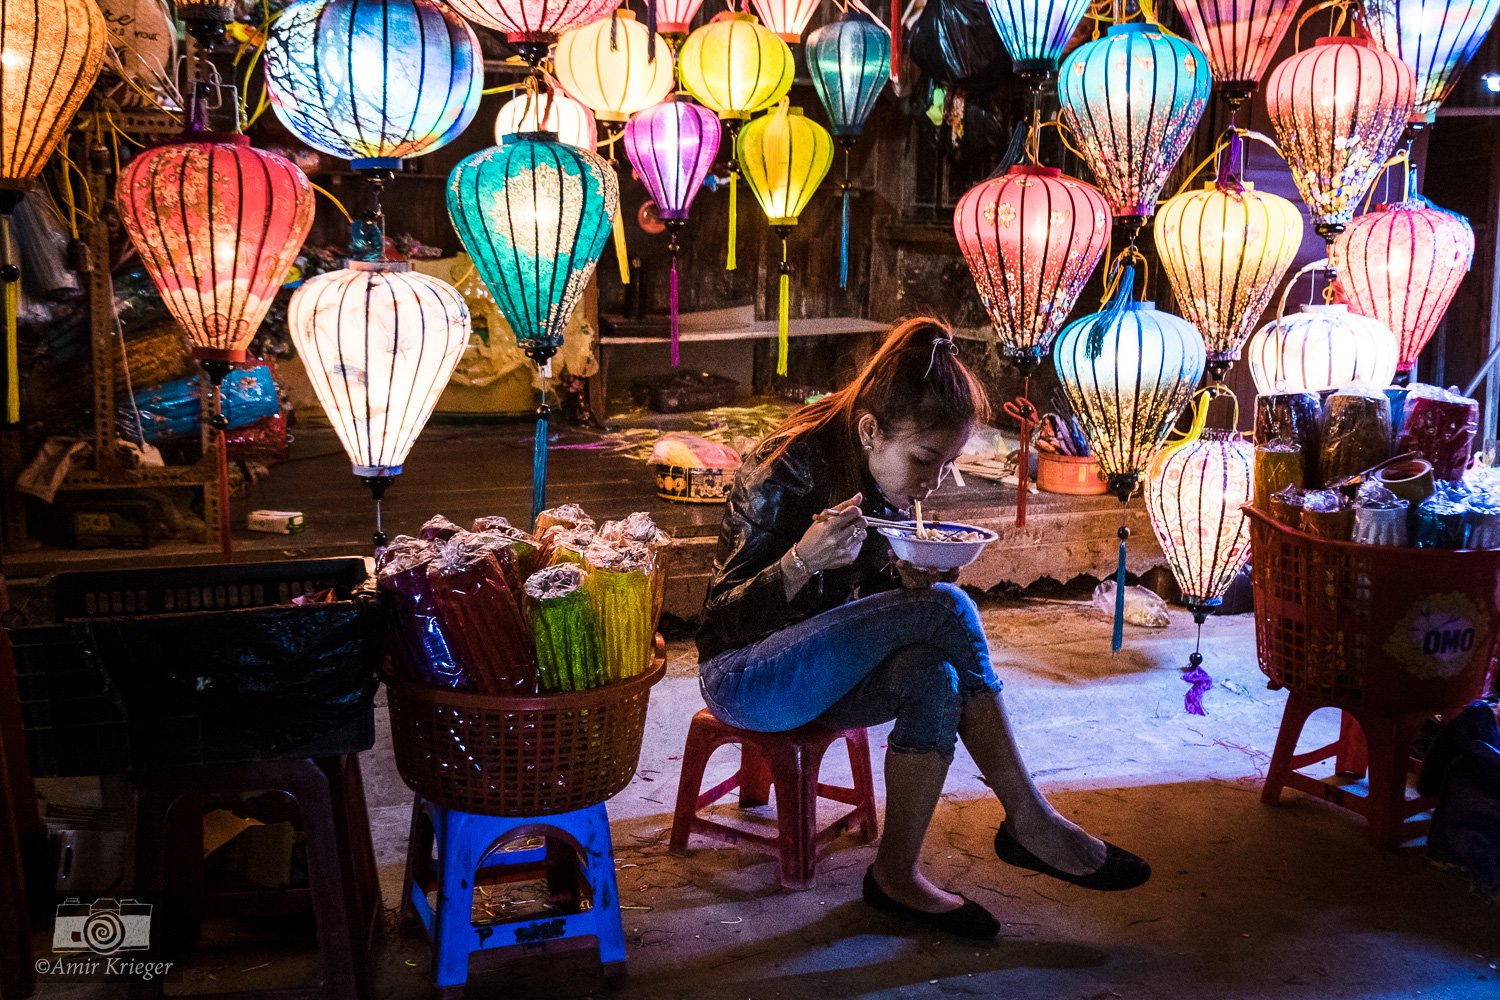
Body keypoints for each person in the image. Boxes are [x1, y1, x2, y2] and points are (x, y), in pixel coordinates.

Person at [696, 317, 1149, 939]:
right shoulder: (785, 469)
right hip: (747, 681)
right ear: (869, 431)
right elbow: (719, 627)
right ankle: (1028, 816)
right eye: (926, 459)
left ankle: (895, 876)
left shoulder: (880, 475)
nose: (935, 481)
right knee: (946, 611)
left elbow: (854, 615)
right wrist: (801, 562)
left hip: (823, 673)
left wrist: (904, 579)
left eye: (948, 463)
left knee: (934, 674)